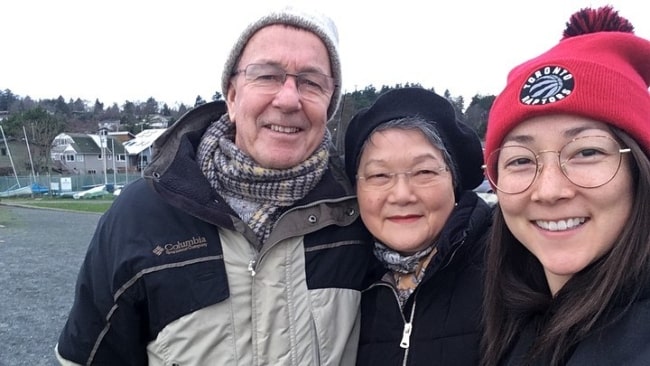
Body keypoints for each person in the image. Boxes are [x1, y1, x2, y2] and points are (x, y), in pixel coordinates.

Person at [55, 6, 373, 365]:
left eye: (311, 82)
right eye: (267, 76)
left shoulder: (362, 214)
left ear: (330, 103)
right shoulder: (139, 216)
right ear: (232, 96)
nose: (288, 99)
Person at [481, 6, 650, 366]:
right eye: (520, 160)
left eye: (586, 152)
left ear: (640, 170)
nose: (549, 190)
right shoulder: (519, 318)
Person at [344, 87, 493, 365]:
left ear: (454, 181)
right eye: (379, 175)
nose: (401, 195)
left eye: (424, 172)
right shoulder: (342, 275)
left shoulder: (506, 267)